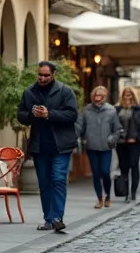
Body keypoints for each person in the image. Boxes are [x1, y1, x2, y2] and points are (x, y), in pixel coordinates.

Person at [17, 61, 78, 233]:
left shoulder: (65, 91)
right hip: (39, 145)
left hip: (61, 145)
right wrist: (32, 115)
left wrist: (49, 114)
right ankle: (49, 219)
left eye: (46, 75)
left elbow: (72, 115)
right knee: (44, 183)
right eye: (40, 75)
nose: (42, 78)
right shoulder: (30, 92)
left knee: (58, 180)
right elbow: (21, 115)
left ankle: (57, 217)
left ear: (53, 75)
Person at [76, 86, 122, 209]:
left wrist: (112, 139)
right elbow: (79, 127)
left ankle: (108, 195)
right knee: (96, 173)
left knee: (105, 172)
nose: (98, 99)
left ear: (104, 97)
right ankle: (99, 198)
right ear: (93, 96)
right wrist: (78, 140)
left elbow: (117, 129)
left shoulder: (111, 110)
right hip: (91, 146)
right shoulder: (86, 110)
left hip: (106, 147)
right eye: (96, 96)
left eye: (100, 96)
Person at [115, 87, 140, 202]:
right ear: (122, 95)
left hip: (135, 143)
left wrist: (139, 138)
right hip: (121, 143)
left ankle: (133, 192)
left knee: (134, 164)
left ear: (133, 95)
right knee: (123, 167)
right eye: (125, 94)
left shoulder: (139, 110)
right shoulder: (117, 109)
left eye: (130, 94)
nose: (127, 96)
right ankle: (126, 192)